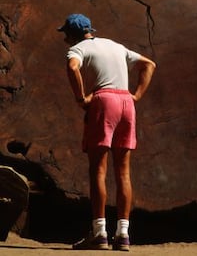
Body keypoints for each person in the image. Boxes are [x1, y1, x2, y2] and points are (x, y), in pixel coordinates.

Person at [58, 13, 156, 251]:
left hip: (103, 102)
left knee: (98, 171)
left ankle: (99, 233)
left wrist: (81, 98)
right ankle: (123, 235)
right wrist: (136, 95)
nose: (65, 41)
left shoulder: (77, 49)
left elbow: (73, 68)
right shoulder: (116, 45)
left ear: (72, 34)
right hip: (126, 103)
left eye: (65, 36)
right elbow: (149, 64)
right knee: (123, 172)